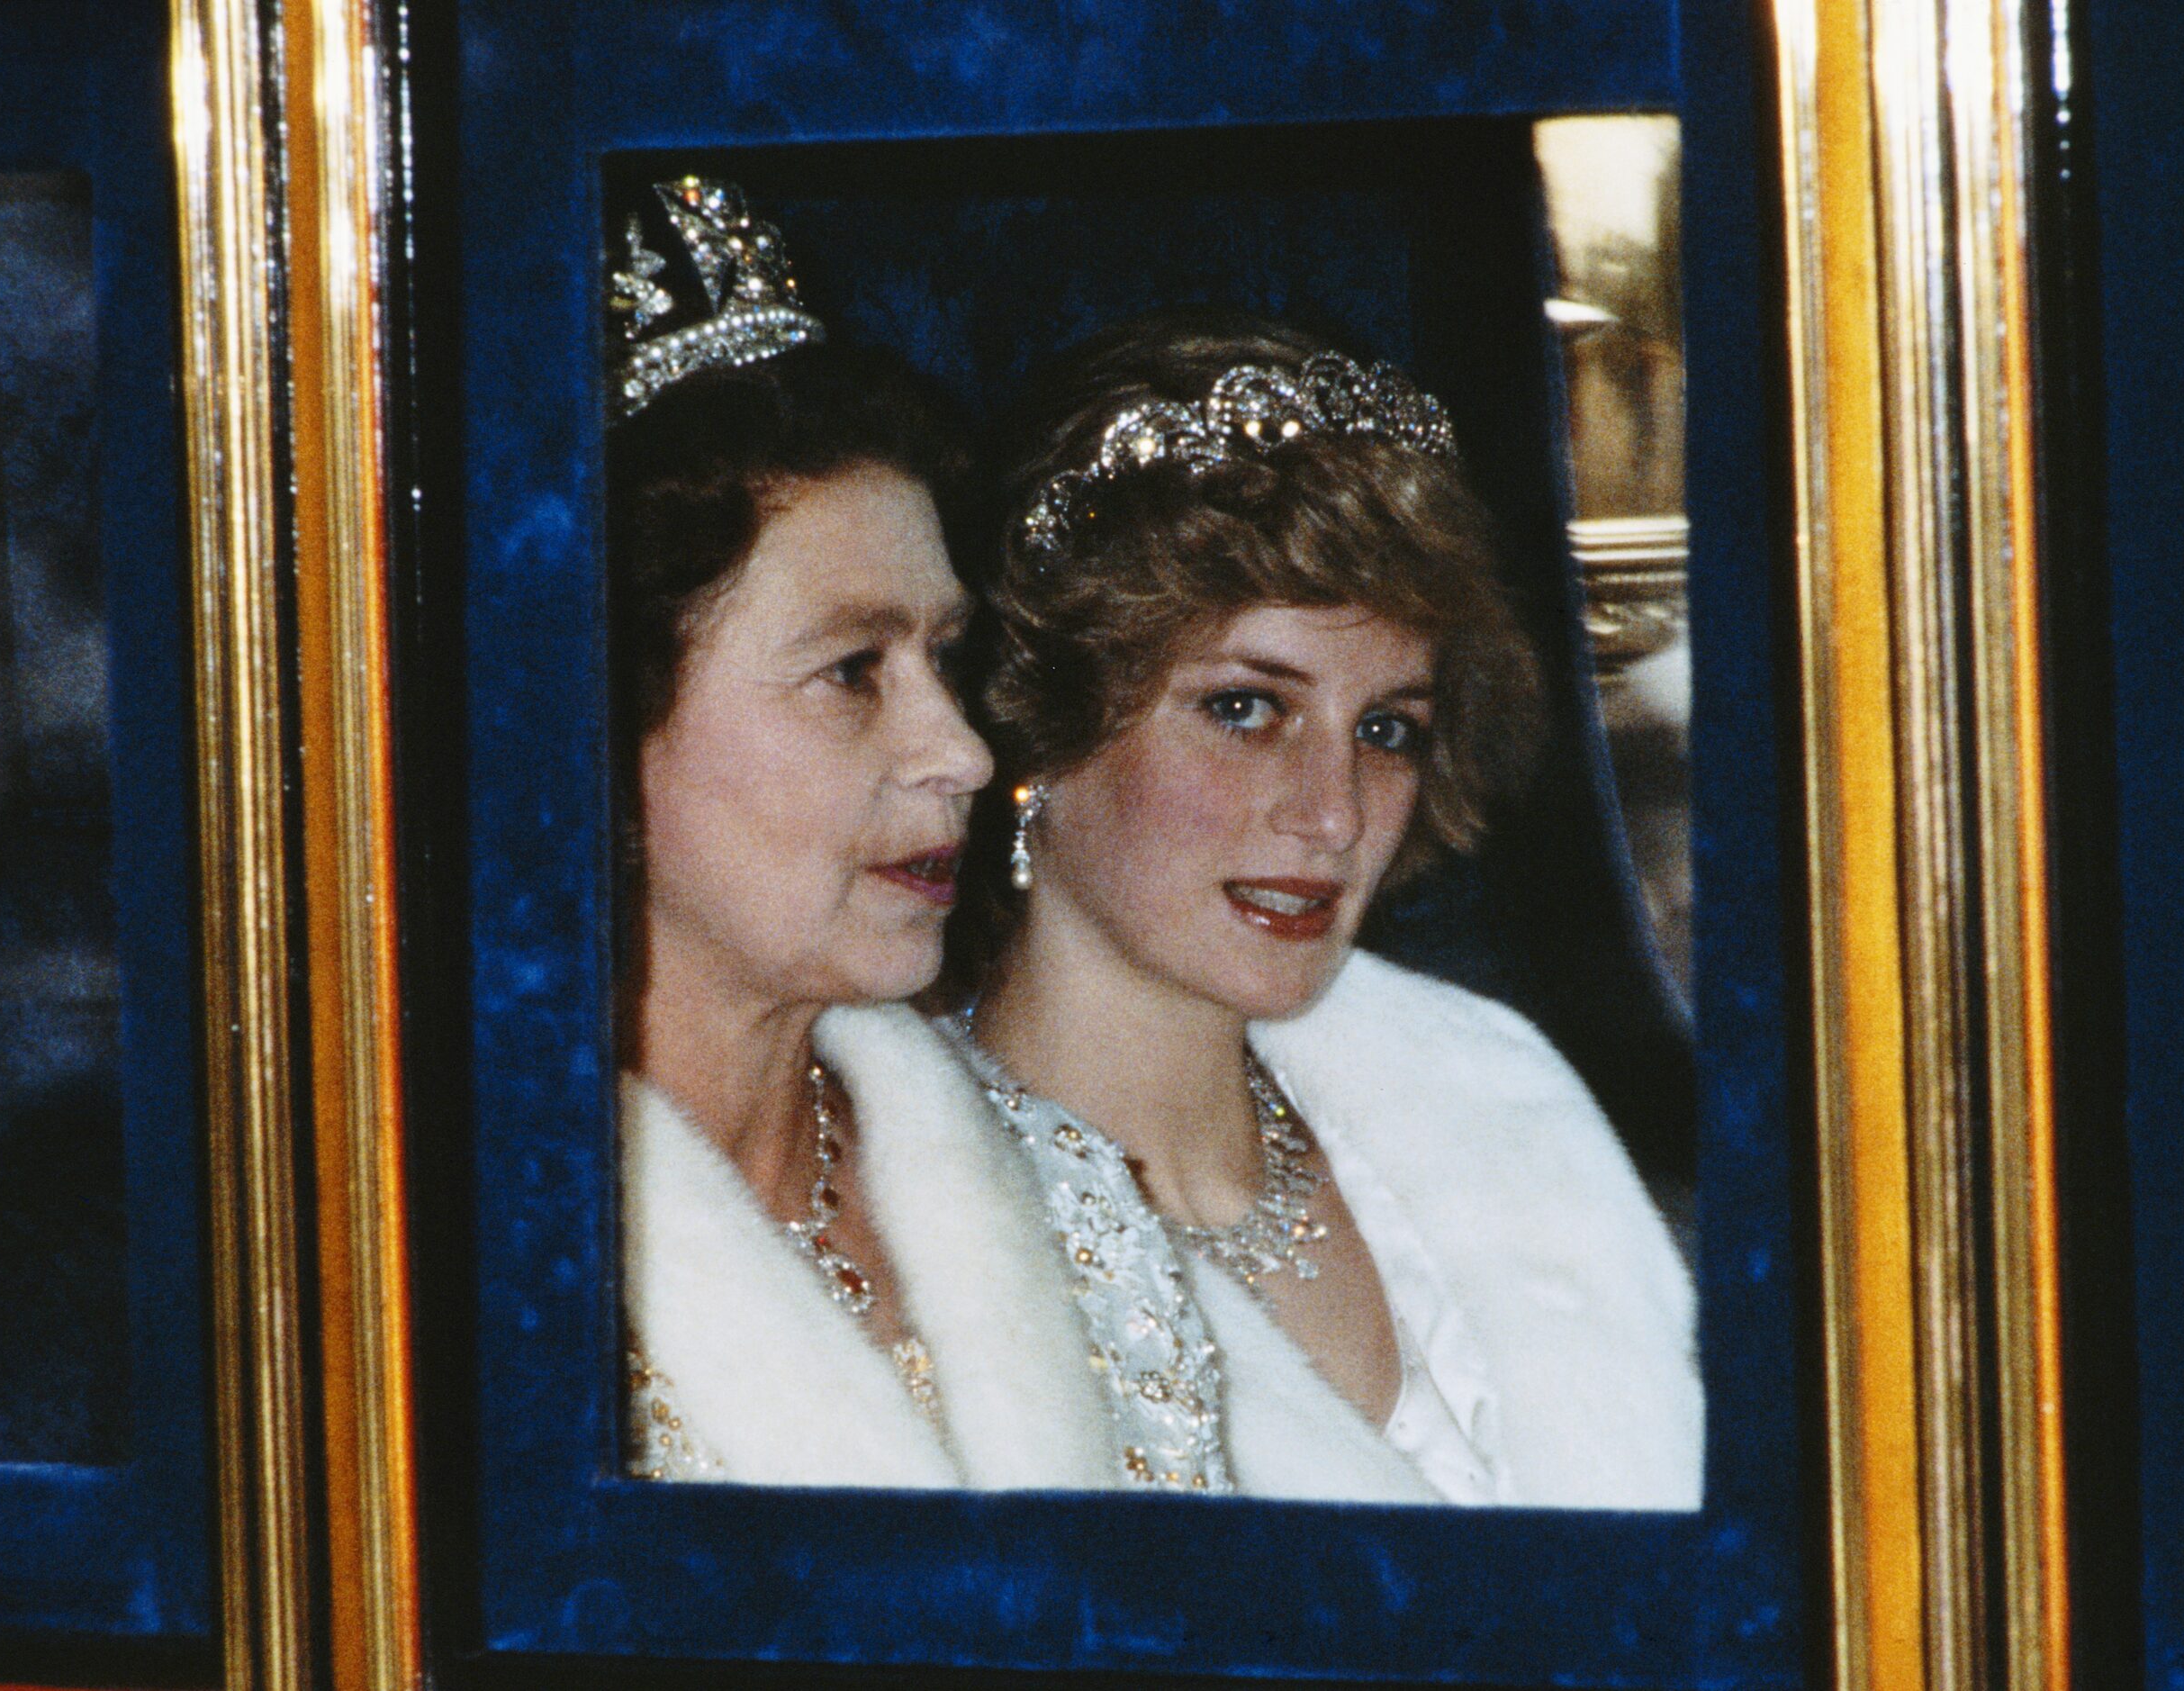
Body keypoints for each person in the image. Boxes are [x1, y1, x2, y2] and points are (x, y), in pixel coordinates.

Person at [944, 311, 1703, 1506]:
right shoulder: (922, 1236)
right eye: (1246, 709)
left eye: (1384, 729)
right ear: (1036, 723)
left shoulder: (1495, 1111)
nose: (1335, 813)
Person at [609, 177, 1120, 1488]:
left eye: (944, 657)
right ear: (596, 729)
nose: (960, 750)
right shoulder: (444, 1276)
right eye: (851, 670)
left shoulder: (1064, 1191)